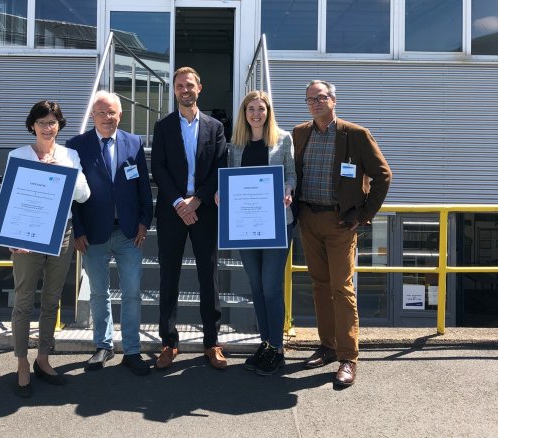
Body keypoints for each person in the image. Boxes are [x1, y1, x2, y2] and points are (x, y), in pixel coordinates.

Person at [293, 80, 391, 388]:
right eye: (310, 99)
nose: (315, 103)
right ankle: (328, 346)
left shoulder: (356, 135)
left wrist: (363, 216)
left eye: (320, 97)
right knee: (320, 286)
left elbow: (382, 175)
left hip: (340, 223)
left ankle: (348, 357)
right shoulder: (300, 133)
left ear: (333, 100)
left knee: (342, 289)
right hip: (309, 219)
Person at [67, 91, 153, 376]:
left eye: (112, 112)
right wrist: (77, 230)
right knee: (98, 293)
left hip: (130, 233)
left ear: (120, 115)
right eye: (101, 113)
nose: (107, 118)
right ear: (93, 115)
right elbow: (72, 194)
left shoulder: (134, 142)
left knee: (131, 293)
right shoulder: (76, 146)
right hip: (92, 234)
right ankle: (103, 346)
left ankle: (132, 350)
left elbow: (143, 186)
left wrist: (144, 222)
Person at [9, 99, 91, 398]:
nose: (48, 127)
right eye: (42, 122)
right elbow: (10, 199)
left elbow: (83, 196)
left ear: (59, 125)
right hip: (26, 236)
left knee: (52, 299)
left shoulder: (70, 155)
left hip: (62, 232)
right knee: (23, 300)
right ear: (32, 125)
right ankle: (21, 363)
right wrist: (13, 237)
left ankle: (43, 359)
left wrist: (67, 172)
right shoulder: (17, 155)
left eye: (53, 122)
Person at [150, 66, 229, 370]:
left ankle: (212, 342)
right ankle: (169, 342)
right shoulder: (163, 126)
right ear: (174, 90)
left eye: (190, 85)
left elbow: (219, 168)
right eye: (180, 85)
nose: (185, 90)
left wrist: (196, 201)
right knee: (168, 277)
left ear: (200, 88)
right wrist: (178, 203)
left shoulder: (215, 127)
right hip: (172, 212)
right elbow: (159, 168)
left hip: (204, 210)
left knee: (208, 277)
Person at [216, 91, 295, 375]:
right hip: (244, 226)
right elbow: (228, 177)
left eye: (261, 109)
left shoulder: (283, 139)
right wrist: (220, 193)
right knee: (257, 288)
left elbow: (291, 175)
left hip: (276, 225)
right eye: (251, 109)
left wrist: (288, 189)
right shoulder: (235, 144)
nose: (256, 114)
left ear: (268, 111)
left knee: (271, 287)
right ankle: (266, 343)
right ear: (244, 113)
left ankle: (277, 348)